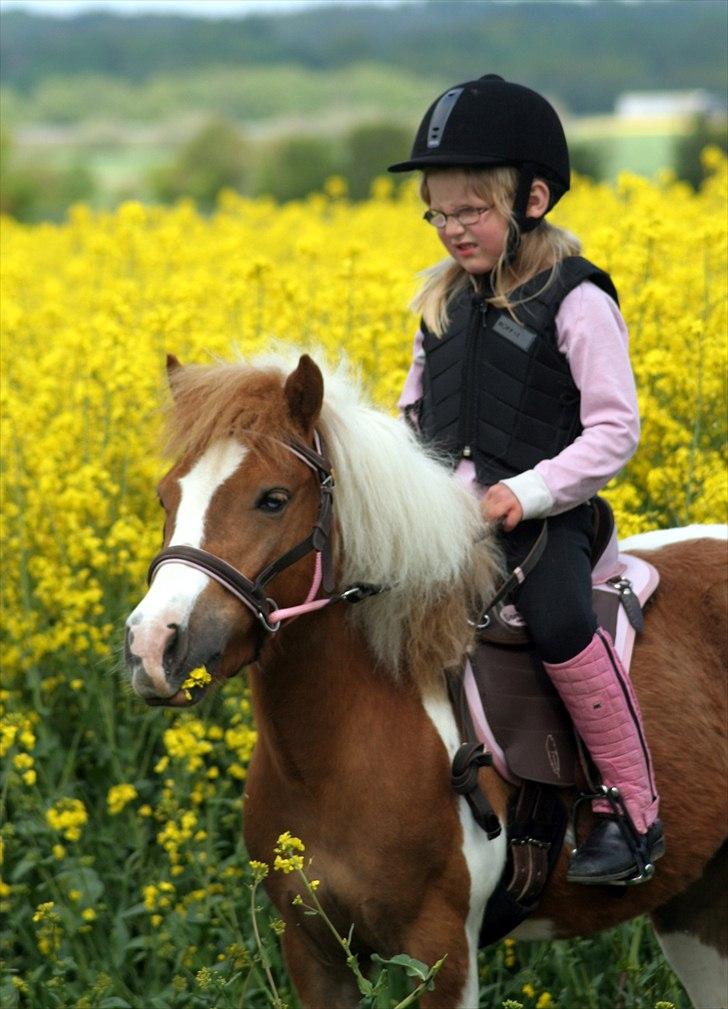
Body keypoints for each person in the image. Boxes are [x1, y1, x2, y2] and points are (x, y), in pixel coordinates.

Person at [389, 73, 664, 885]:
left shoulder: (576, 300)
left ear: (533, 198)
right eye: (437, 213)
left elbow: (616, 429)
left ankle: (631, 808)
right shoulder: (439, 304)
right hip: (454, 523)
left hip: (550, 519)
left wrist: (530, 490)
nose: (450, 230)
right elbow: (413, 417)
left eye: (469, 210)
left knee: (557, 621)